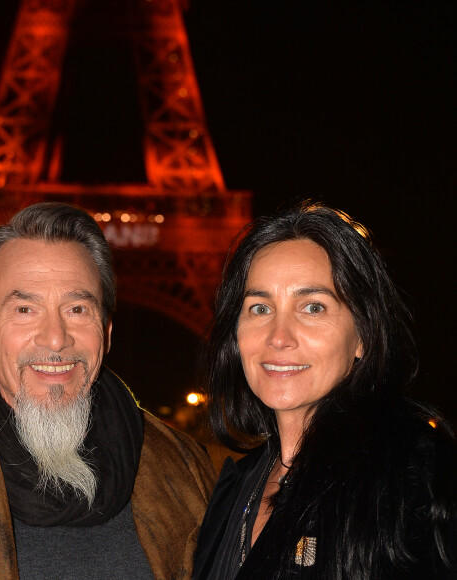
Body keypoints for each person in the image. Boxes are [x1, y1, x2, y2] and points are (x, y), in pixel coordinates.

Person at [0, 202, 216, 579]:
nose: (55, 339)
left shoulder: (194, 475)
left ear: (105, 333)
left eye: (77, 309)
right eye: (25, 309)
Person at [192, 201, 457, 579]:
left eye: (313, 307)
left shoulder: (413, 479)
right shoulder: (237, 486)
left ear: (363, 335)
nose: (278, 337)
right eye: (259, 308)